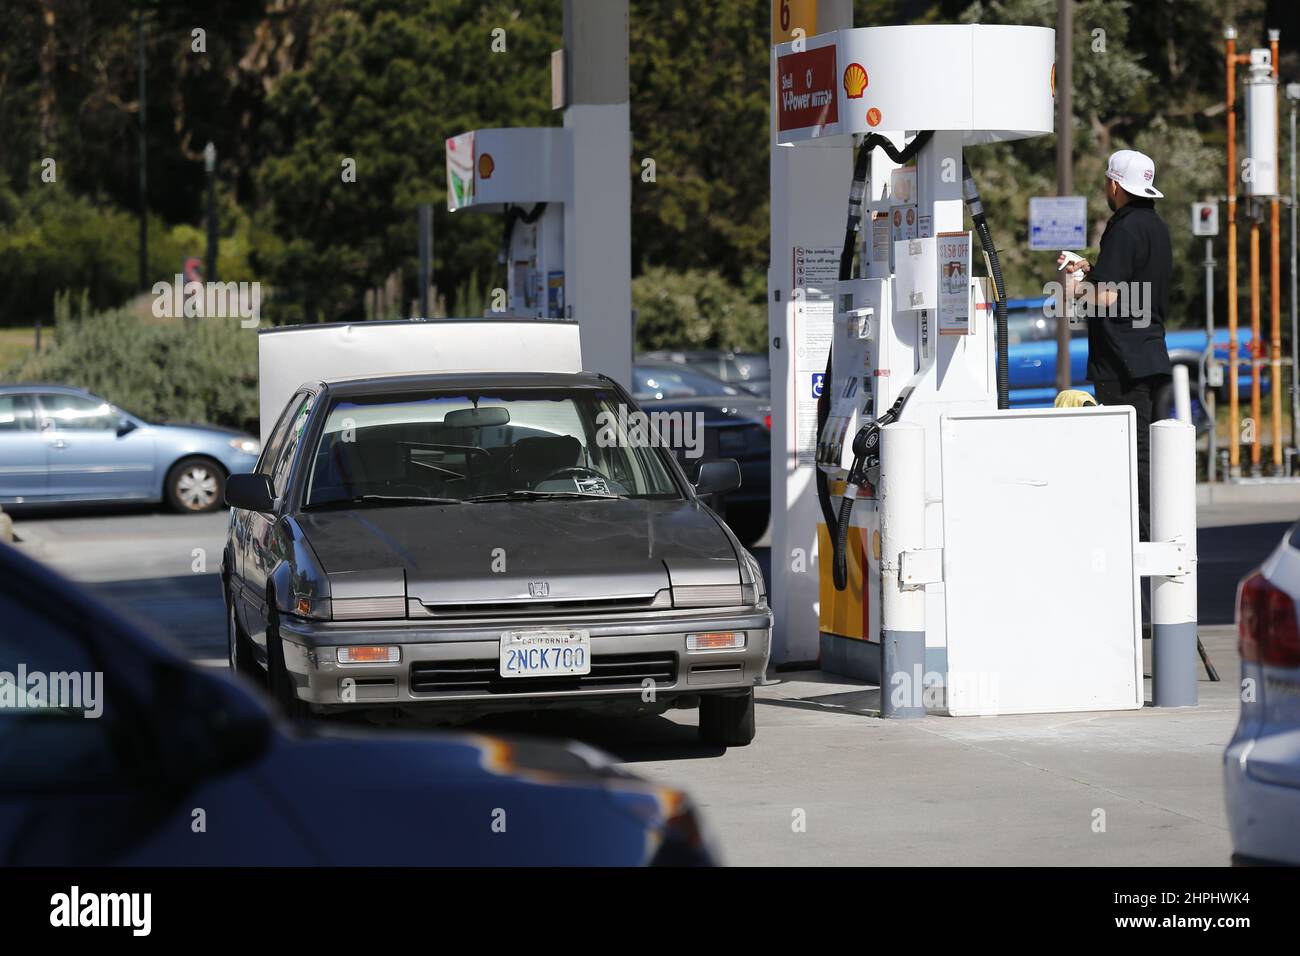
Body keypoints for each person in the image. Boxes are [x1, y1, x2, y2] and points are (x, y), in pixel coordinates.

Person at [1060, 149, 1173, 541]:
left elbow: (1107, 297)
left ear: (1115, 185)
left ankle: (1139, 545)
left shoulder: (1123, 228)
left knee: (1131, 458)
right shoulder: (1155, 227)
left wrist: (1074, 288)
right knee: (1151, 454)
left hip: (1121, 362)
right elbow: (1130, 283)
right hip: (1151, 354)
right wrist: (1091, 269)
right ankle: (1156, 534)